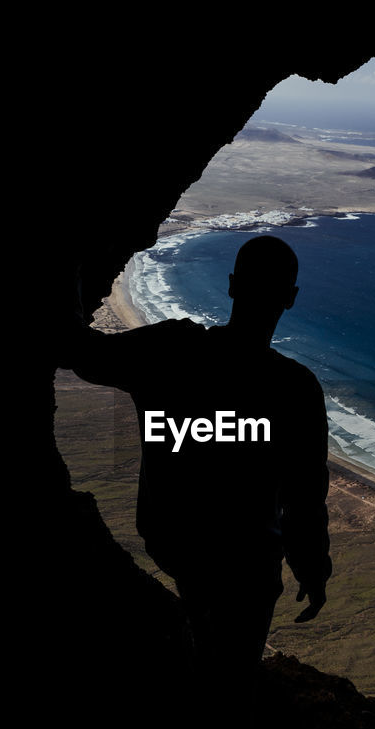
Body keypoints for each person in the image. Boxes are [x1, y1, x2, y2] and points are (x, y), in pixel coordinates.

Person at [64, 235, 332, 683]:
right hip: (246, 566)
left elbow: (84, 354)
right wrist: (312, 567)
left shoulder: (170, 350)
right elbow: (304, 496)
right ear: (291, 298)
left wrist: (72, 275)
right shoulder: (296, 389)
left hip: (176, 542)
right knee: (227, 682)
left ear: (230, 286)